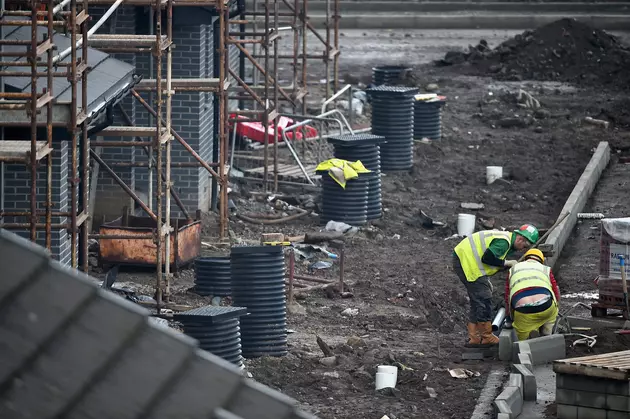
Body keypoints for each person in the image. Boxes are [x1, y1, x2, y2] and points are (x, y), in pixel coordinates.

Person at [453, 224, 539, 347]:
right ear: (520, 239)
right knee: (483, 298)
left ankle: (475, 338)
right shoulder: (504, 242)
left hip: (464, 259)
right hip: (466, 262)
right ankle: (486, 337)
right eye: (524, 246)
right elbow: (487, 258)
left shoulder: (505, 239)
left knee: (477, 300)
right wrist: (506, 263)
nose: (522, 249)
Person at [505, 248, 560, 341]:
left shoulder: (513, 270)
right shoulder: (545, 269)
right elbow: (555, 290)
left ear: (526, 258)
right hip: (545, 305)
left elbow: (507, 296)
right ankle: (547, 333)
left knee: (523, 342)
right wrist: (557, 305)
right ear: (541, 260)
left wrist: (509, 318)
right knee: (550, 316)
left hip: (523, 309)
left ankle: (527, 339)